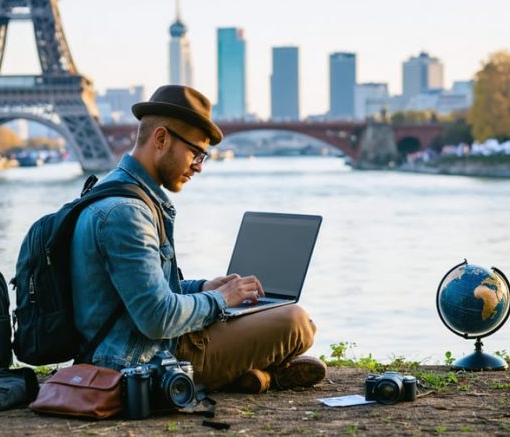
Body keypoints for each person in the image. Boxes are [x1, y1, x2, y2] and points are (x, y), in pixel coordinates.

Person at [70, 85, 325, 393]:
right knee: (297, 323)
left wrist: (204, 288)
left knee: (274, 314)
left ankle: (253, 375)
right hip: (145, 363)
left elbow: (139, 292)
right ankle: (263, 375)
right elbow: (156, 318)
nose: (199, 166)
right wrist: (222, 300)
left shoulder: (113, 189)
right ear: (161, 139)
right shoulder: (128, 212)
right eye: (196, 152)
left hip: (128, 349)